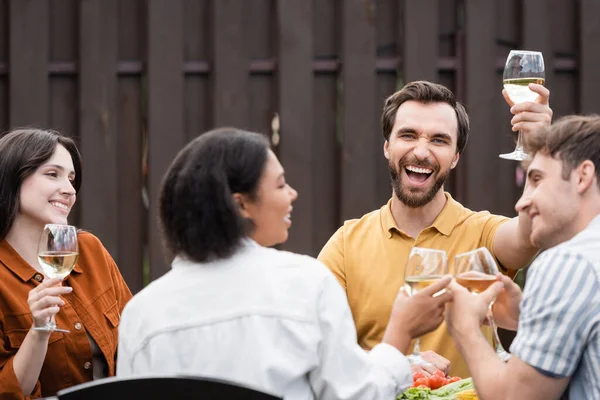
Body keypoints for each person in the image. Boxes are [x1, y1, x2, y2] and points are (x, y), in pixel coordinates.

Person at [116, 127, 454, 399]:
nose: (292, 194)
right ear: (241, 205)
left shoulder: (141, 315)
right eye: (280, 184)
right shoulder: (304, 283)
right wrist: (400, 333)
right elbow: (357, 395)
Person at [317, 80, 553, 378]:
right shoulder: (346, 243)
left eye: (439, 140)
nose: (421, 151)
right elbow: (317, 342)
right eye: (408, 135)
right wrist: (395, 363)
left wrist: (541, 151)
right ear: (387, 147)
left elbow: (530, 231)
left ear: (455, 157)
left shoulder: (482, 232)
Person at [446, 115, 600, 399]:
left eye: (537, 179)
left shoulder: (569, 264)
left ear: (583, 176)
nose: (522, 202)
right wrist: (526, 315)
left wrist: (465, 328)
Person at [0, 129, 132, 398]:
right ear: (12, 178)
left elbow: (134, 341)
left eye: (71, 179)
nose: (70, 190)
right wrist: (39, 330)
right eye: (53, 174)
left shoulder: (89, 250)